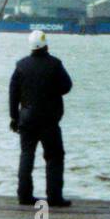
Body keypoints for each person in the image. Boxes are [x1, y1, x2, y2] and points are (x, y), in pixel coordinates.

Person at [9, 29, 73, 208]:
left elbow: (13, 94)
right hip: (49, 120)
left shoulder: (20, 66)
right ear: (46, 45)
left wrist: (14, 118)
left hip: (27, 120)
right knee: (54, 157)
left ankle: (24, 195)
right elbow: (67, 86)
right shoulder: (55, 64)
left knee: (26, 155)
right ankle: (54, 197)